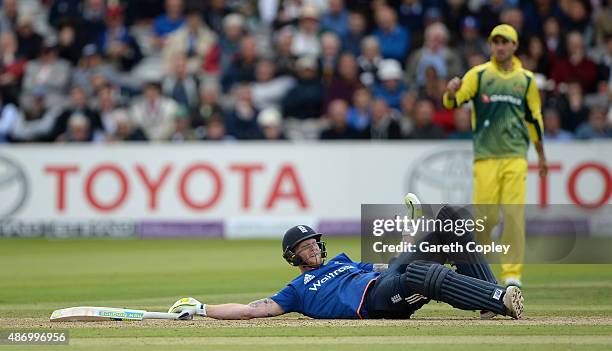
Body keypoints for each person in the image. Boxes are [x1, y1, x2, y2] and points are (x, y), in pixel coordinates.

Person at [167, 202, 524, 320]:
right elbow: (252, 310)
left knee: (452, 216)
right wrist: (201, 308)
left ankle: (488, 299)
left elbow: (383, 268)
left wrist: (409, 246)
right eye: (305, 248)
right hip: (377, 302)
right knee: (420, 272)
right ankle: (500, 300)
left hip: (387, 279)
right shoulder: (297, 290)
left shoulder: (340, 259)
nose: (313, 250)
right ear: (294, 258)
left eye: (314, 243)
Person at [442, 24, 548, 288]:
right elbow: (453, 102)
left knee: (513, 215)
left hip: (515, 156)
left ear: (514, 46)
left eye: (505, 42)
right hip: (486, 157)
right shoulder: (478, 75)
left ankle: (512, 274)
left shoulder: (526, 80)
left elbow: (535, 119)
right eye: (495, 42)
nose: (500, 46)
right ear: (491, 45)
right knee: (485, 218)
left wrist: (541, 155)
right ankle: (482, 268)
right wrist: (451, 91)